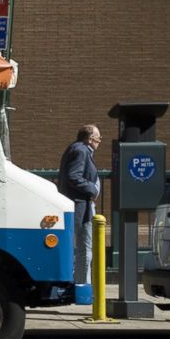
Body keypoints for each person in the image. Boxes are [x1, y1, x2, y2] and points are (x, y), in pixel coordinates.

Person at [58, 124, 102, 292]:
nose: (99, 141)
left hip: (79, 204)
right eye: (98, 138)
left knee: (81, 247)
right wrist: (93, 189)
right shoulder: (81, 150)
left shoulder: (76, 149)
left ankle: (80, 284)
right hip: (80, 206)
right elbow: (73, 176)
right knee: (85, 247)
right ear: (90, 139)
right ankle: (83, 288)